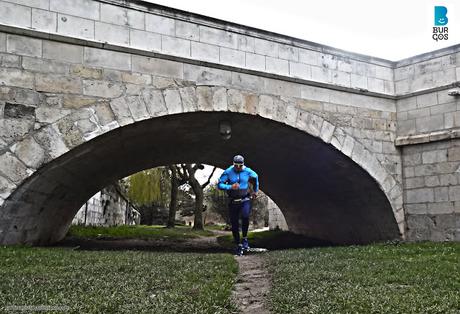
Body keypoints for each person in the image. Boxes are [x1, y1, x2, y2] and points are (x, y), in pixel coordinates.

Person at [218, 155, 259, 256]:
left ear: (243, 164)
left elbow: (256, 177)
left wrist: (255, 191)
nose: (238, 168)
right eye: (236, 165)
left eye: (240, 166)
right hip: (233, 201)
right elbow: (220, 184)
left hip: (245, 199)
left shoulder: (248, 171)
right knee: (234, 224)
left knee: (245, 216)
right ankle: (238, 244)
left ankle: (245, 239)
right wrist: (230, 186)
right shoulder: (228, 172)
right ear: (233, 164)